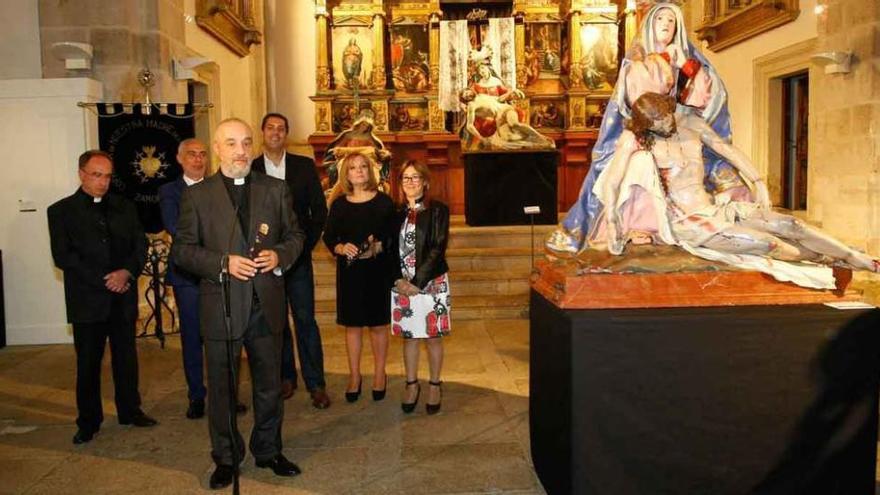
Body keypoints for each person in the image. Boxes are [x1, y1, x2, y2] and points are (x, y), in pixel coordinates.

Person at [596, 92, 879, 287]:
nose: (666, 123)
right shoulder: (633, 138)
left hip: (717, 207)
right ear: (646, 124)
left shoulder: (690, 123)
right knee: (768, 244)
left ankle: (858, 259)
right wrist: (612, 220)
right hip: (686, 221)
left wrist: (757, 182)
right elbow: (612, 180)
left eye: (667, 115)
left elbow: (725, 149)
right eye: (657, 122)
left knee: (791, 224)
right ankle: (828, 259)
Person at [547, 2, 746, 253]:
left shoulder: (689, 58)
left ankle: (698, 213)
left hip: (683, 123)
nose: (666, 24)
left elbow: (702, 96)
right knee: (637, 164)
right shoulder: (637, 63)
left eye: (672, 20)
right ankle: (639, 224)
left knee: (716, 161)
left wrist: (686, 65)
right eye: (660, 18)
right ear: (650, 23)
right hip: (647, 126)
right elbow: (638, 103)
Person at [172, 118, 305, 489]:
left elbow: (296, 234)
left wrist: (280, 255)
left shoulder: (276, 189)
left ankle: (268, 449)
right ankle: (227, 458)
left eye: (246, 143)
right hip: (222, 306)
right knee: (222, 389)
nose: (241, 151)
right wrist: (222, 264)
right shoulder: (198, 196)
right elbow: (182, 250)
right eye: (231, 143)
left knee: (268, 385)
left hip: (266, 304)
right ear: (217, 148)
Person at [47, 150, 157, 445]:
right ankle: (88, 421)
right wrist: (105, 280)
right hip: (87, 300)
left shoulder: (124, 206)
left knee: (126, 358)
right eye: (96, 175)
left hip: (123, 296)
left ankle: (130, 411)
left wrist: (127, 273)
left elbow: (140, 245)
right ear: (81, 174)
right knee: (88, 363)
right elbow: (63, 256)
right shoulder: (60, 211)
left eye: (107, 176)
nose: (103, 182)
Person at [252, 112, 331, 409]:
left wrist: (300, 249)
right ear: (262, 132)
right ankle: (285, 378)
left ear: (286, 134)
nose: (275, 132)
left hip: (297, 259)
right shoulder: (251, 169)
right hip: (264, 263)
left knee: (305, 320)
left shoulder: (303, 166)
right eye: (270, 128)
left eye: (281, 128)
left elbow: (318, 213)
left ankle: (316, 382)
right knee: (275, 322)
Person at [323, 152, 395, 403]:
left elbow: (392, 237)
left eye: (363, 166)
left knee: (377, 325)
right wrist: (341, 248)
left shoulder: (385, 203)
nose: (359, 171)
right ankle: (354, 376)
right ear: (347, 174)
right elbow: (330, 237)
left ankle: (379, 373)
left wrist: (378, 247)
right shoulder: (340, 204)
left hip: (377, 272)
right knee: (353, 327)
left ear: (370, 171)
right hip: (350, 273)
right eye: (353, 168)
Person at [389, 160, 451, 415]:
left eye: (416, 178)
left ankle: (435, 385)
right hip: (402, 285)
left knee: (433, 337)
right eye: (406, 178)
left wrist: (417, 282)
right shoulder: (395, 213)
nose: (411, 182)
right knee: (410, 338)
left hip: (431, 282)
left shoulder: (438, 210)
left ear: (425, 182)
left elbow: (438, 246)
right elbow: (389, 249)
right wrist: (398, 279)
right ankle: (412, 384)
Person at [159, 138, 209, 419]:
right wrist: (212, 238)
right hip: (187, 275)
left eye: (202, 154)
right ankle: (196, 395)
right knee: (192, 337)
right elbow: (176, 227)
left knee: (221, 338)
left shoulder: (218, 186)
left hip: (216, 274)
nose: (198, 160)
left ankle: (225, 393)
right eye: (192, 155)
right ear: (180, 159)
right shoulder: (169, 191)